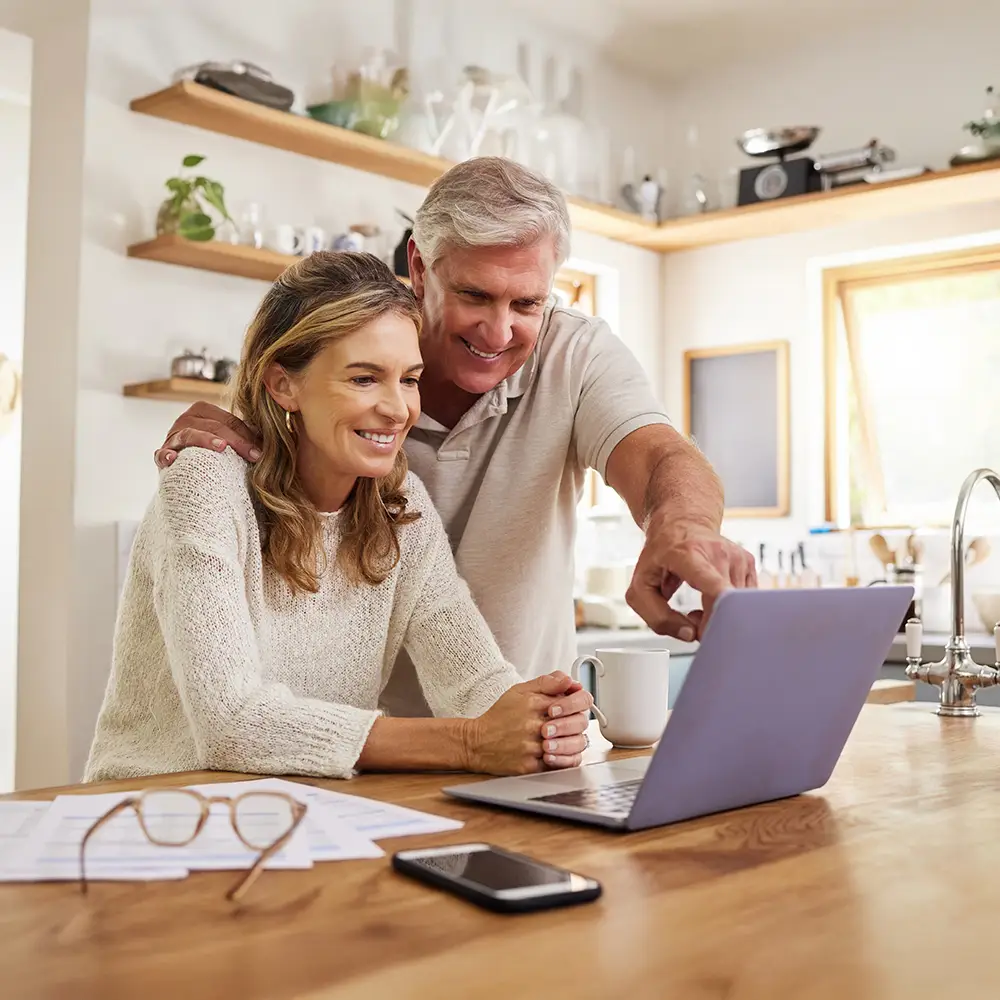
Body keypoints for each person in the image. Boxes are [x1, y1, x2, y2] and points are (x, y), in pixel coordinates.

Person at [153, 157, 756, 719]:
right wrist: (243, 439)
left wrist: (682, 526)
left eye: (527, 302)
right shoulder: (338, 375)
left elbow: (660, 458)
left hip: (501, 735)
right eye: (475, 295)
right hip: (349, 748)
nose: (499, 331)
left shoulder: (575, 355)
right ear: (419, 267)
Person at [84, 251, 594, 783]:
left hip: (307, 816)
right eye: (364, 378)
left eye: (409, 379)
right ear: (283, 384)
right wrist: (471, 742)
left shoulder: (402, 509)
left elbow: (475, 684)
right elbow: (231, 722)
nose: (398, 409)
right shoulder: (206, 484)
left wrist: (540, 718)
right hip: (154, 817)